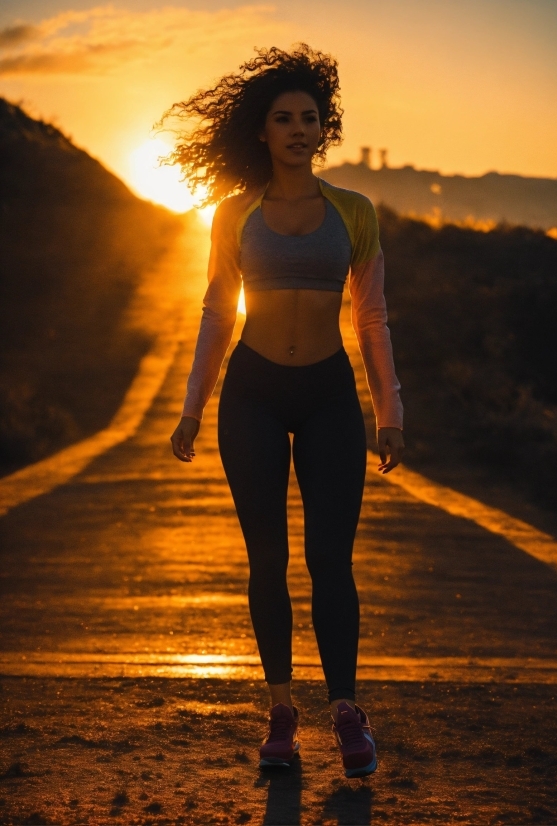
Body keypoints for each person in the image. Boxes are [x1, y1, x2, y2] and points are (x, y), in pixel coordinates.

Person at [166, 44, 404, 778]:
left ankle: (345, 712)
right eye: (283, 118)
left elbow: (372, 319)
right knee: (265, 558)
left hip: (329, 394)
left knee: (330, 559)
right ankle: (280, 711)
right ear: (260, 132)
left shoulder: (353, 212)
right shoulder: (233, 214)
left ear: (322, 128)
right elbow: (214, 311)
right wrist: (192, 407)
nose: (299, 129)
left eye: (310, 117)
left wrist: (389, 409)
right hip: (254, 394)